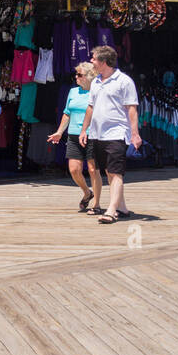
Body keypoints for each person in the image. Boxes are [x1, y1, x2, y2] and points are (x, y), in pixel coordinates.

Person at [78, 45, 141, 223]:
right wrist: (84, 130)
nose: (91, 61)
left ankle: (112, 210)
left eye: (94, 58)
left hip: (117, 132)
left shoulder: (124, 81)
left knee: (116, 172)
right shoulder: (96, 82)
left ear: (104, 62)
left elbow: (131, 109)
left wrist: (135, 134)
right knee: (109, 171)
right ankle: (122, 207)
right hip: (98, 134)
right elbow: (91, 107)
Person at [47, 62, 101, 213]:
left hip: (92, 135)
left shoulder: (97, 92)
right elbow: (67, 113)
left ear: (90, 77)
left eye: (80, 75)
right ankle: (87, 192)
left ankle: (96, 204)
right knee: (74, 169)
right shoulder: (73, 92)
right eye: (76, 74)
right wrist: (59, 132)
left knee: (92, 169)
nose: (76, 77)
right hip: (74, 135)